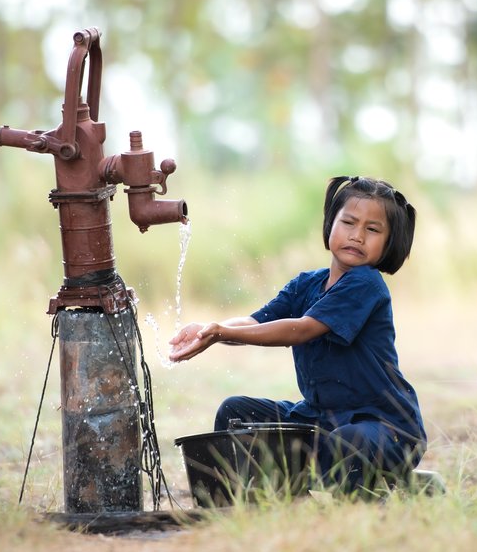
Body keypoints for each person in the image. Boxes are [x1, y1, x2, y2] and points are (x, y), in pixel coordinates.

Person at [169, 175, 424, 495]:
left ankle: (380, 486)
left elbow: (302, 329)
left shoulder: (366, 283)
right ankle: (233, 498)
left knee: (350, 442)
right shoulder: (306, 283)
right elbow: (253, 322)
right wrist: (211, 328)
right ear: (330, 224)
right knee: (236, 411)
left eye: (372, 230)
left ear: (387, 243)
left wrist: (222, 334)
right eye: (348, 222)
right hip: (321, 419)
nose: (357, 236)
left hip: (385, 427)